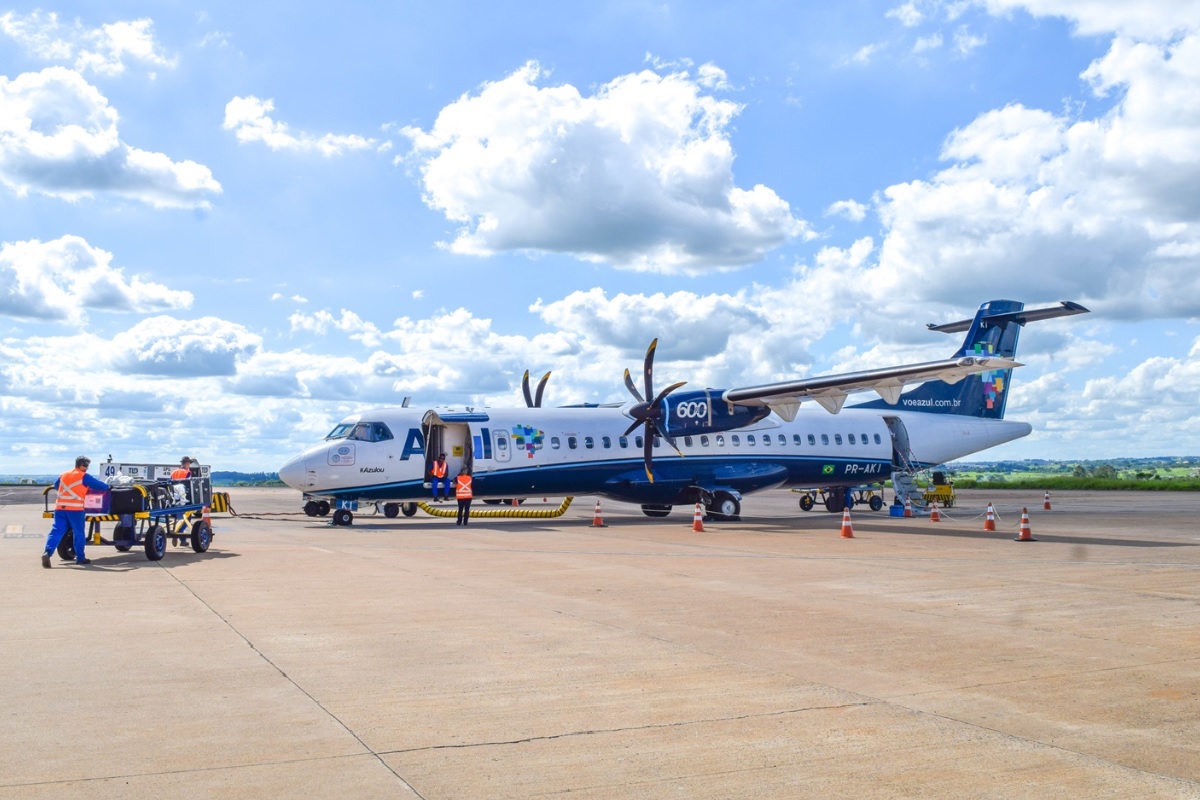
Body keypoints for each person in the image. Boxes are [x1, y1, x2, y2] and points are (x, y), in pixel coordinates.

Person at [42, 455, 110, 568]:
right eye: (86, 466)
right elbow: (100, 486)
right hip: (75, 509)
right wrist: (109, 486)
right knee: (79, 533)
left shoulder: (64, 474)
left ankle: (47, 553)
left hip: (60, 508)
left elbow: (56, 485)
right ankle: (80, 558)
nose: (87, 468)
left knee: (56, 531)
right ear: (81, 465)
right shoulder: (84, 476)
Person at [170, 457, 193, 546]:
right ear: (187, 464)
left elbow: (170, 483)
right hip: (184, 499)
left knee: (179, 518)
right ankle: (180, 536)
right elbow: (189, 485)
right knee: (186, 519)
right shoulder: (187, 472)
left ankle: (181, 537)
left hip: (174, 498)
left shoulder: (174, 472)